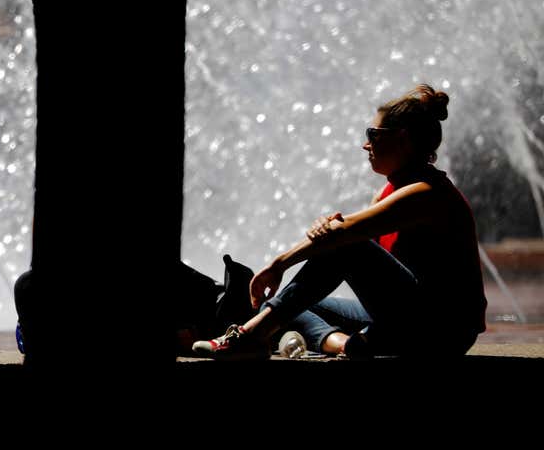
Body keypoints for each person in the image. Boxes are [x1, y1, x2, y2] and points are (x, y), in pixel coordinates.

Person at [193, 83, 486, 359]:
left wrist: (280, 263)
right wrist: (334, 229)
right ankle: (345, 344)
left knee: (343, 249)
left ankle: (251, 336)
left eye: (373, 134)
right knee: (295, 301)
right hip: (407, 318)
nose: (365, 145)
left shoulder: (427, 194)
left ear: (403, 139)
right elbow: (353, 250)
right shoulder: (388, 192)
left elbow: (347, 241)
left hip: (443, 331)